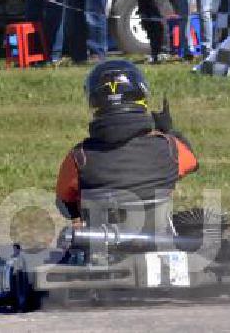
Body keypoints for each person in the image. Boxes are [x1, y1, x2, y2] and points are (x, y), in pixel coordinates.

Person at [54, 60, 198, 226]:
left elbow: (65, 204)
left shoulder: (79, 158)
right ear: (141, 96)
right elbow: (191, 162)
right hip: (159, 245)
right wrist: (169, 131)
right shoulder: (169, 147)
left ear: (94, 103)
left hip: (102, 247)